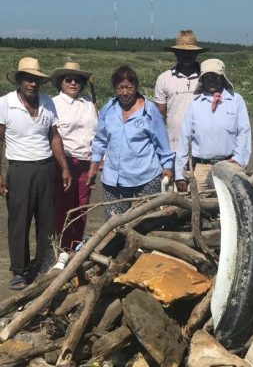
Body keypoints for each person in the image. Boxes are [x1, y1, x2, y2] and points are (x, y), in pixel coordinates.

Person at [0, 57, 71, 290]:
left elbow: (54, 137)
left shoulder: (48, 103)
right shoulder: (5, 103)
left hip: (45, 167)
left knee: (46, 220)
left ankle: (43, 264)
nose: (32, 84)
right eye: (28, 79)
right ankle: (19, 270)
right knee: (19, 222)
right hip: (19, 169)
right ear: (19, 80)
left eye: (36, 80)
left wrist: (63, 167)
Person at [88, 66, 174, 221]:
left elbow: (161, 142)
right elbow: (100, 140)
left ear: (136, 87)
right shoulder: (108, 109)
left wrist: (167, 167)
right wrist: (93, 167)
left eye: (129, 87)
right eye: (120, 88)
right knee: (115, 225)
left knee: (147, 223)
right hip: (114, 179)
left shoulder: (149, 110)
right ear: (114, 88)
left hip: (146, 176)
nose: (125, 92)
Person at [175, 59, 251, 192]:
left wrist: (239, 160)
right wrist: (180, 174)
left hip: (229, 165)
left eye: (215, 76)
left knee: (233, 206)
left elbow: (244, 132)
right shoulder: (195, 104)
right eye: (207, 77)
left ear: (222, 78)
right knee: (198, 207)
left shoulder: (235, 100)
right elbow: (184, 139)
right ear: (202, 80)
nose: (211, 80)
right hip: (201, 168)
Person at [49, 62, 98, 251]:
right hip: (65, 161)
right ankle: (62, 248)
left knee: (82, 206)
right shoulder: (53, 104)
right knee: (63, 207)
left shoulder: (88, 104)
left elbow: (97, 132)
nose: (73, 83)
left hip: (86, 162)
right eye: (68, 79)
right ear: (61, 82)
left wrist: (98, 160)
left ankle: (76, 245)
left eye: (77, 80)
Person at [154, 30, 208, 148]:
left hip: (203, 146)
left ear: (196, 54)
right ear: (175, 53)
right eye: (182, 52)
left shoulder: (207, 78)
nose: (186, 55)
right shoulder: (164, 79)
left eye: (190, 52)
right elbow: (160, 117)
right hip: (173, 145)